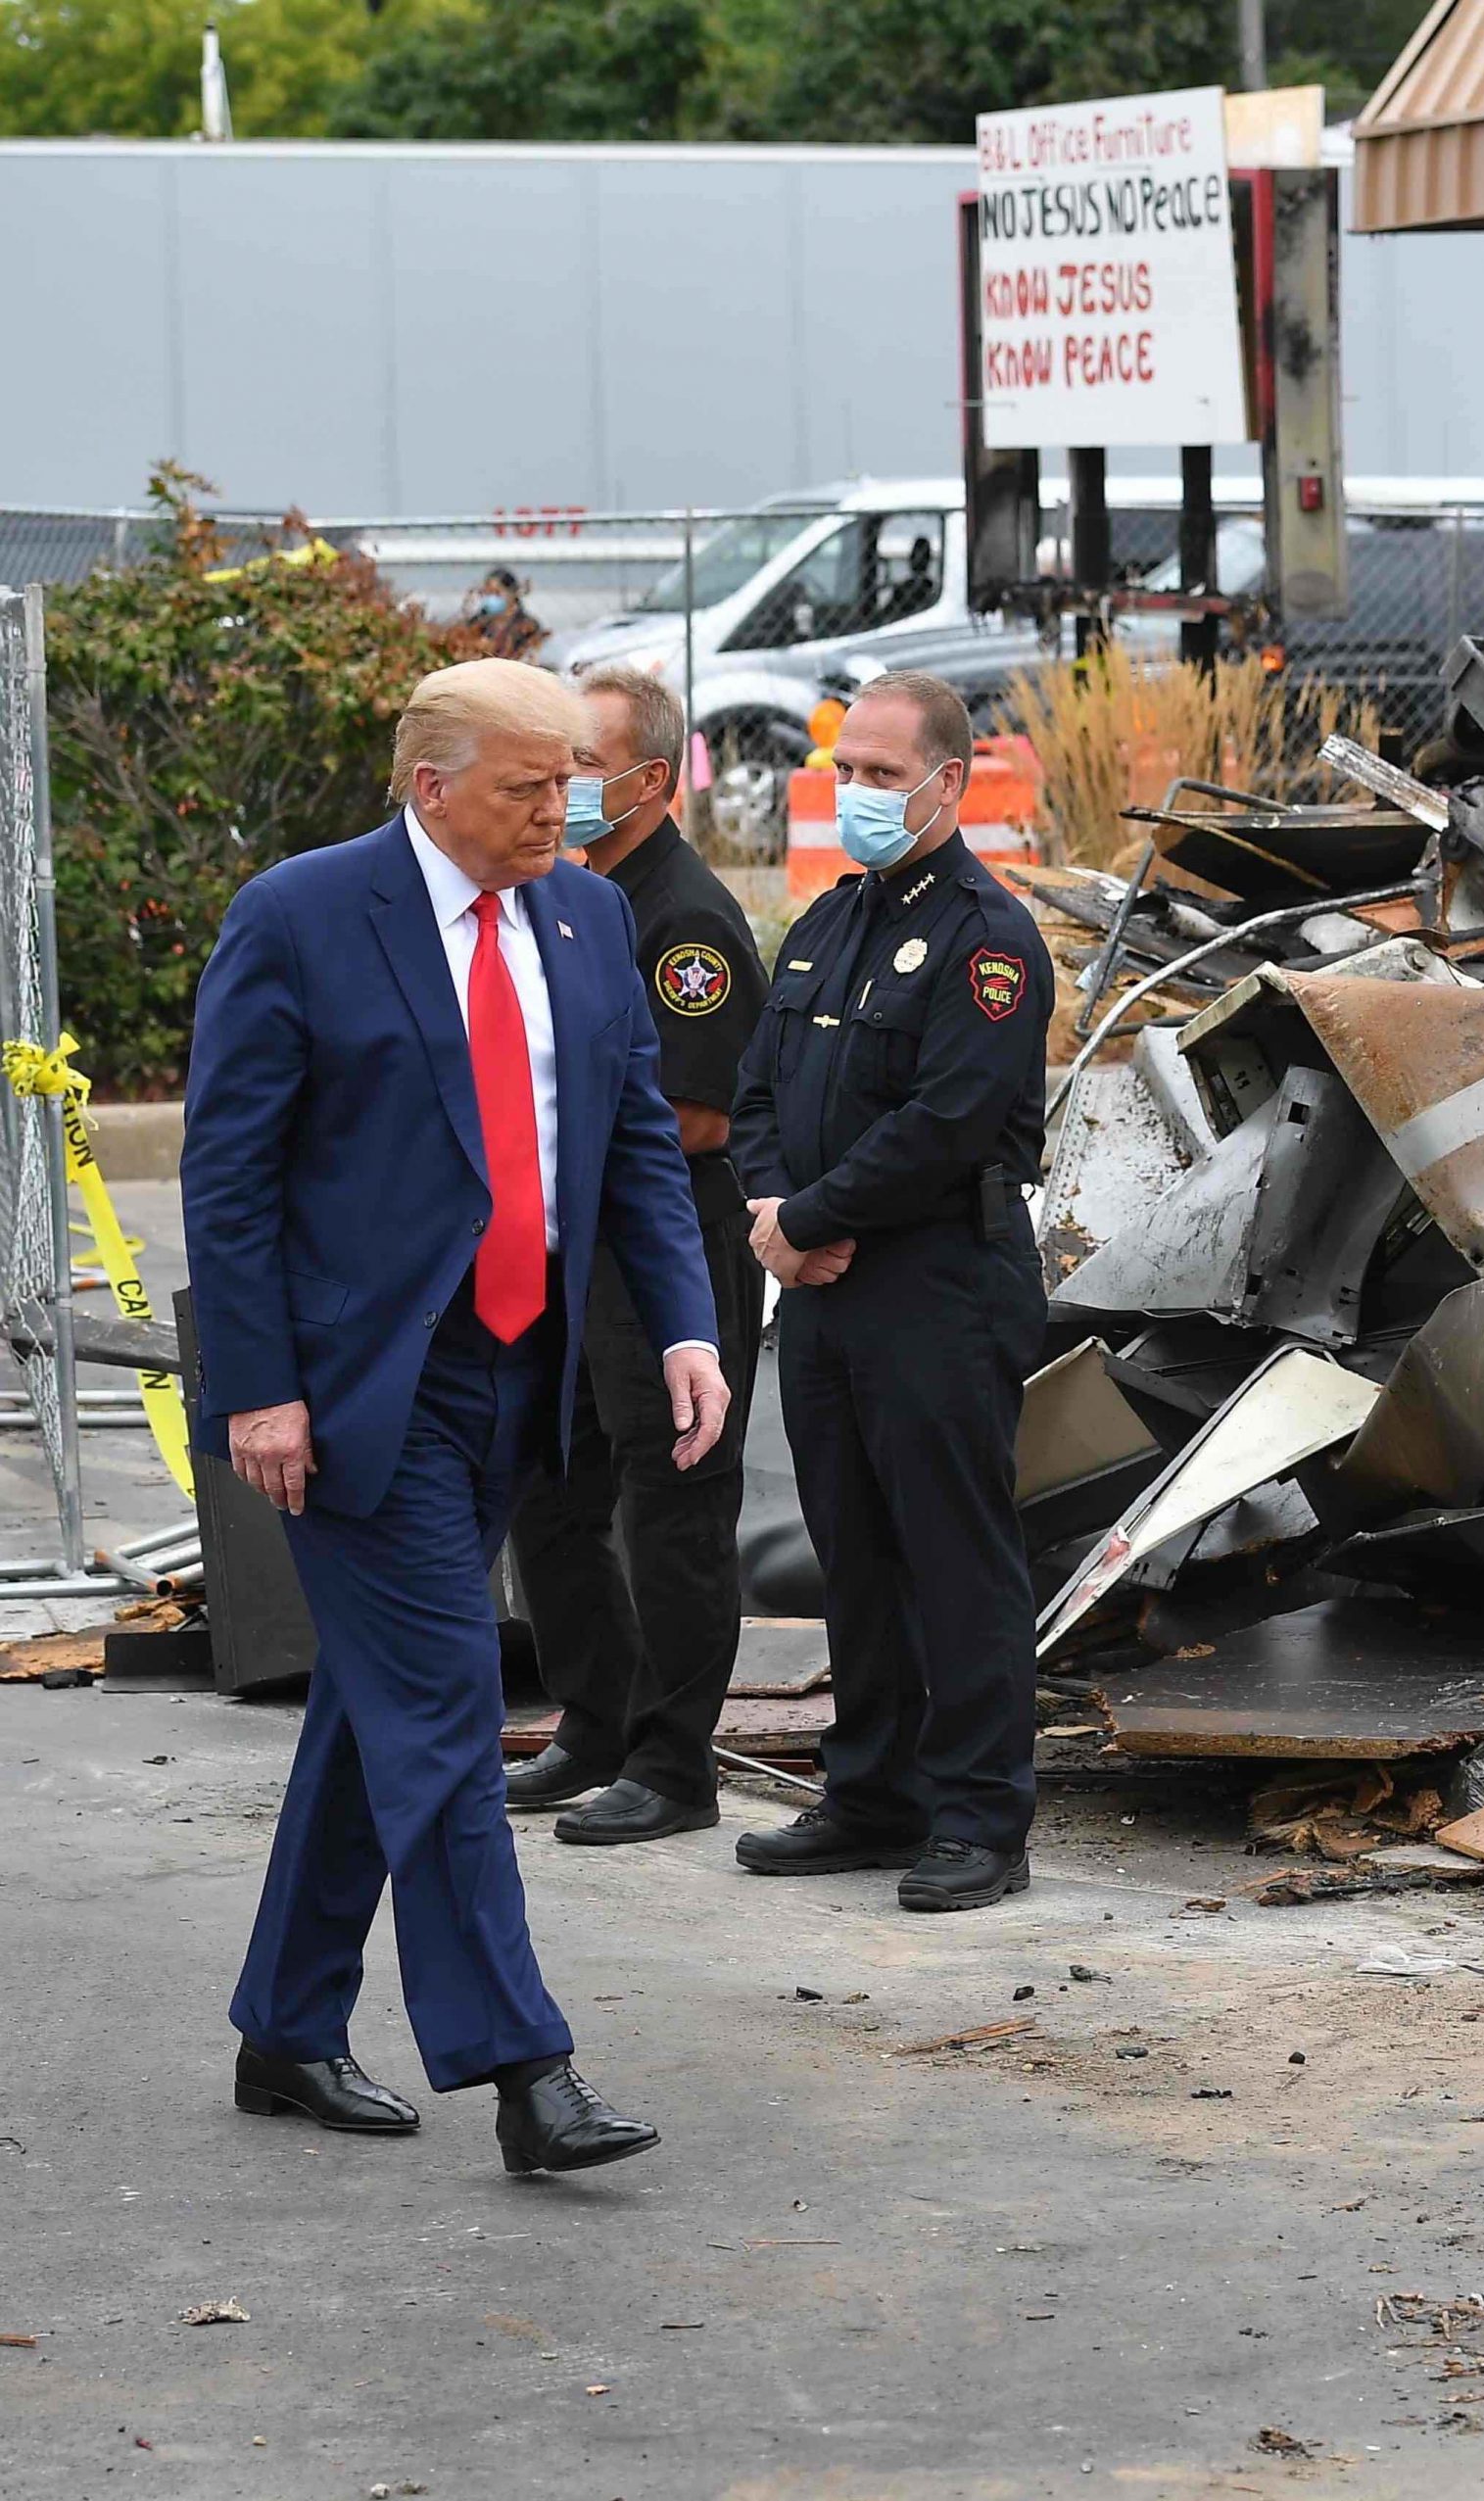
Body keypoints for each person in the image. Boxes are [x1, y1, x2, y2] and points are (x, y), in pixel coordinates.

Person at [182, 658, 731, 2176]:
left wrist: (683, 1320)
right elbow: (229, 1179)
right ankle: (524, 2067)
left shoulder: (588, 916)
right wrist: (262, 1386)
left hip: (524, 1370)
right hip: (367, 1390)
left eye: (571, 782)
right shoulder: (300, 916)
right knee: (439, 1709)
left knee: (378, 1709)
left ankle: (287, 2023)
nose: (561, 808)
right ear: (432, 789)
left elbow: (627, 1135)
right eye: (526, 786)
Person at [730, 671, 1050, 1911]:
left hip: (937, 1287)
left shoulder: (985, 937)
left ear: (946, 783)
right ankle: (872, 1792)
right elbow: (757, 1092)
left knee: (954, 1560)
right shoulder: (825, 924)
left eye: (879, 772)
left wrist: (810, 1218)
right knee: (852, 1553)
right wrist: (777, 1221)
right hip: (820, 1291)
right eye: (845, 770)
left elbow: (951, 1119)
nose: (856, 790)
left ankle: (978, 1818)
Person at [504, 665, 768, 1843]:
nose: (561, 791)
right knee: (553, 1490)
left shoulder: (685, 922)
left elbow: (701, 1114)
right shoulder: (562, 897)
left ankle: (673, 1765)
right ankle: (593, 1719)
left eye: (581, 768)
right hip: (568, 1242)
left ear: (650, 780)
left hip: (669, 1237)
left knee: (670, 1506)